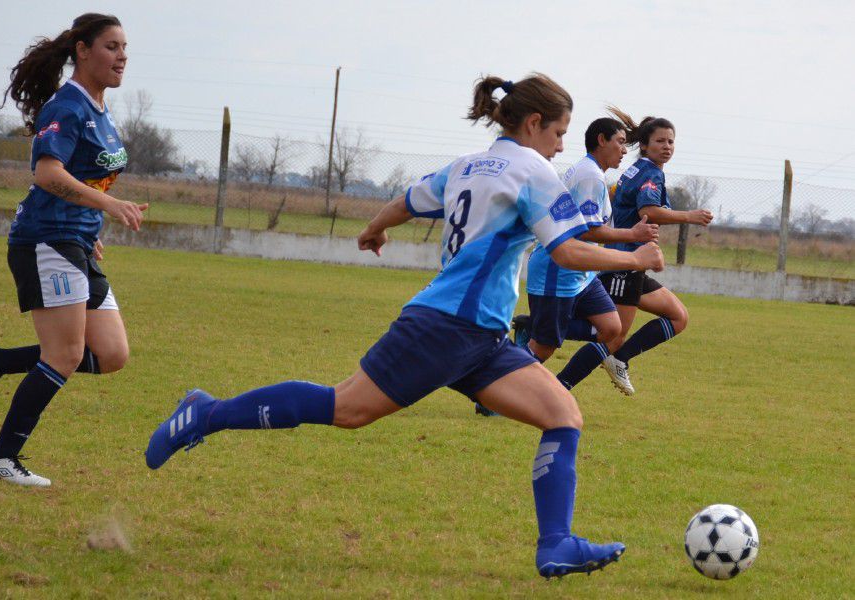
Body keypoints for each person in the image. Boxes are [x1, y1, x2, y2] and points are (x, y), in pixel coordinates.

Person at [144, 74, 663, 578]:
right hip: (446, 326)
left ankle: (556, 545)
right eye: (558, 132)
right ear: (533, 123)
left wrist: (375, 227)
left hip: (480, 336)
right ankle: (205, 414)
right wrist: (635, 257)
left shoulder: (467, 165)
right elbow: (568, 250)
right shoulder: (532, 170)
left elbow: (409, 201)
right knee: (346, 408)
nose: (560, 144)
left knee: (562, 413)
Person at [0, 13, 147, 487]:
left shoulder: (99, 110)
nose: (121, 56)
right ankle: (0, 458)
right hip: (44, 242)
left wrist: (91, 225)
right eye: (111, 46)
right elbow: (47, 174)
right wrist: (108, 204)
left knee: (110, 353)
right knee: (65, 353)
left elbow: (79, 178)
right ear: (82, 51)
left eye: (125, 47)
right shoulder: (67, 107)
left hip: (73, 241)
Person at [499, 118, 659, 399]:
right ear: (601, 140)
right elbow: (585, 232)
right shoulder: (590, 176)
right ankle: (496, 388)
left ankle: (534, 327)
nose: (624, 150)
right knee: (545, 348)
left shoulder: (593, 173)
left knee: (612, 328)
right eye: (620, 142)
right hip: (558, 270)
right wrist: (632, 234)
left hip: (581, 274)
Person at [591, 107, 713, 395]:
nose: (667, 147)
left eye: (671, 141)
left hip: (632, 262)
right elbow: (648, 210)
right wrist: (689, 216)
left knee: (678, 317)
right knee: (612, 337)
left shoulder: (639, 169)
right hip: (625, 262)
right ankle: (554, 379)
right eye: (660, 141)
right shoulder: (650, 173)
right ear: (644, 145)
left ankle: (619, 360)